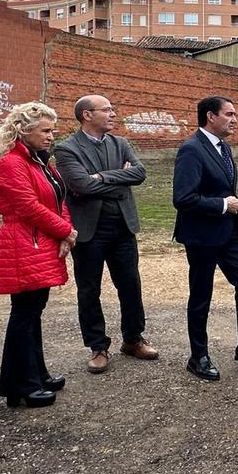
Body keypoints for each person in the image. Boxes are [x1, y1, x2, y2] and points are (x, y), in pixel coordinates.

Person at [172, 96, 238, 381]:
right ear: (211, 116)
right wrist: (222, 205)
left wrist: (227, 210)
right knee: (201, 295)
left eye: (235, 114)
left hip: (229, 233)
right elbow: (183, 199)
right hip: (202, 235)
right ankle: (198, 357)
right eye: (229, 114)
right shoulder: (191, 150)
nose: (235, 119)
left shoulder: (223, 147)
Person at [55, 95, 158, 374]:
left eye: (112, 109)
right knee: (90, 290)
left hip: (123, 227)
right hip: (90, 231)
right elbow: (81, 186)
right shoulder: (67, 149)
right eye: (107, 110)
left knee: (130, 285)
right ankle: (98, 346)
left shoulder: (120, 143)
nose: (113, 114)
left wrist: (100, 177)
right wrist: (116, 180)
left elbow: (139, 173)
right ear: (87, 115)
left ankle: (133, 339)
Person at [0, 102, 77, 409]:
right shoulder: (11, 164)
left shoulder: (40, 162)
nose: (52, 136)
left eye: (53, 130)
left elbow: (57, 199)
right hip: (23, 242)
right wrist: (64, 231)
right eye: (45, 130)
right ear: (23, 131)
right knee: (25, 314)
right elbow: (28, 206)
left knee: (32, 312)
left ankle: (34, 375)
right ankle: (21, 385)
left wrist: (64, 229)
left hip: (39, 241)